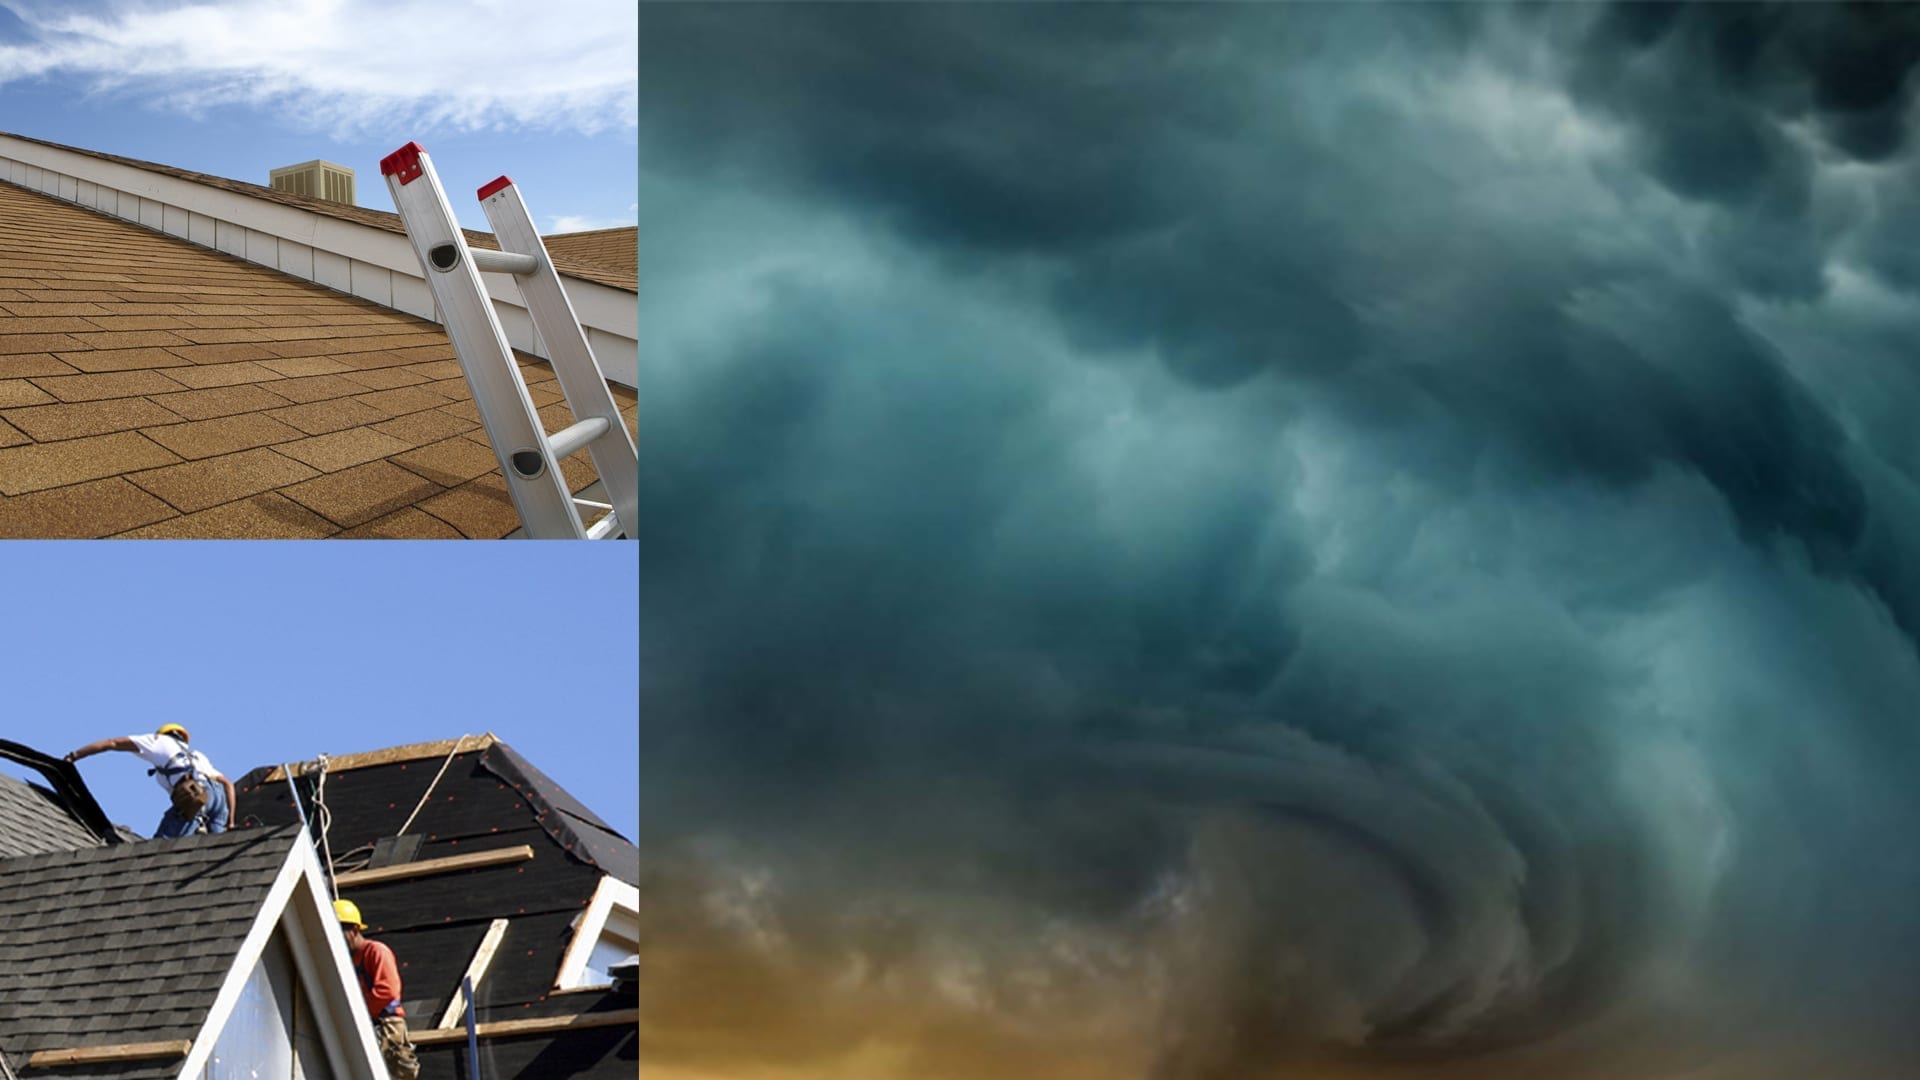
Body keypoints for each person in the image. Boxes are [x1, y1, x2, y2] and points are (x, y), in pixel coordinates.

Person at [64, 723, 235, 839]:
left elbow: (112, 743)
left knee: (164, 844)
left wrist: (74, 756)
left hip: (197, 794)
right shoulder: (197, 756)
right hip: (219, 800)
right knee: (216, 846)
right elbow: (227, 784)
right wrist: (231, 822)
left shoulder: (158, 742)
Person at [336, 899, 421, 1080]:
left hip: (385, 1025)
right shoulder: (347, 959)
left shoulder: (376, 951)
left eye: (339, 932)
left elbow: (387, 991)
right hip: (368, 1022)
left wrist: (359, 1013)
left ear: (355, 930)